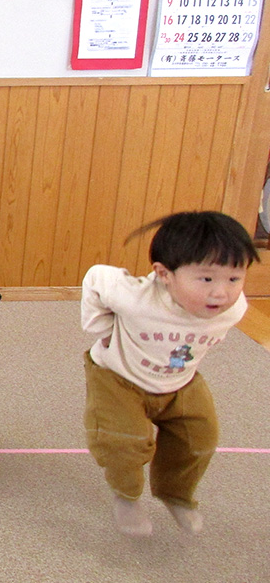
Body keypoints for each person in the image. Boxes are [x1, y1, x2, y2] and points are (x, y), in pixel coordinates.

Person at [81, 211, 259, 537]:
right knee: (122, 442)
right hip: (118, 377)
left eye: (234, 279)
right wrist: (101, 328)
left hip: (180, 382)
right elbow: (95, 277)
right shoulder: (136, 297)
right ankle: (126, 496)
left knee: (200, 439)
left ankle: (175, 494)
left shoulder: (234, 309)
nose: (221, 293)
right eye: (206, 279)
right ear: (164, 274)